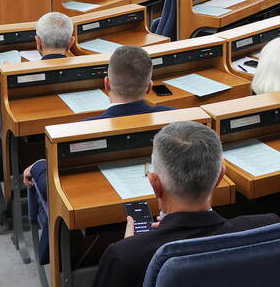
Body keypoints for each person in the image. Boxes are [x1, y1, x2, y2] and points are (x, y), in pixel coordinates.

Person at [81, 121, 280, 287]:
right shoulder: (267, 229)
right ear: (220, 176)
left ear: (154, 183)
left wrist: (131, 246)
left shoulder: (126, 257)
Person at [23, 45, 174, 202]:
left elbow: (53, 189)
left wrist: (38, 167)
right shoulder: (175, 119)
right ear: (149, 87)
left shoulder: (79, 131)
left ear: (106, 84)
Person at [0, 12, 74, 182]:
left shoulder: (15, 78)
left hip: (31, 159)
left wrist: (3, 75)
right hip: (74, 160)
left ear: (38, 42)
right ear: (71, 42)